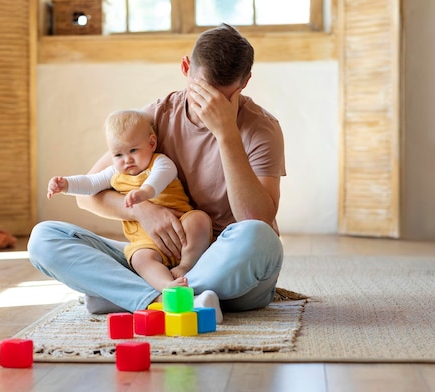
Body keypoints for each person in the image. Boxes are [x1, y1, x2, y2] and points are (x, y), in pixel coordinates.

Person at [28, 24, 286, 324]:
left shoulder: (261, 128)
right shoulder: (156, 118)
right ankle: (166, 300)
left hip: (226, 262)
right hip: (159, 259)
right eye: (202, 92)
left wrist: (226, 133)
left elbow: (255, 218)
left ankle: (131, 296)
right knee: (44, 238)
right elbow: (89, 197)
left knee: (260, 237)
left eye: (222, 97)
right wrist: (142, 211)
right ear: (185, 68)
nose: (209, 106)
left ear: (244, 83)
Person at [47, 109, 212, 292]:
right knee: (139, 258)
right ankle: (166, 286)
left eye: (133, 150)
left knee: (200, 220)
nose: (127, 160)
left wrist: (144, 193)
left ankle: (186, 266)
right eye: (118, 155)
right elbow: (91, 183)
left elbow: (160, 178)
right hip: (146, 241)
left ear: (151, 143)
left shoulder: (160, 163)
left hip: (181, 226)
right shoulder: (115, 173)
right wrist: (66, 185)